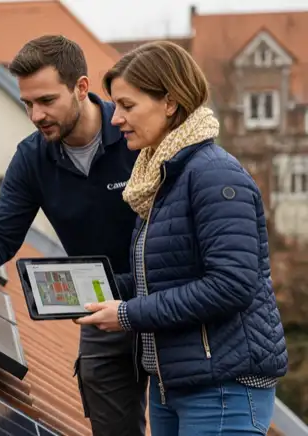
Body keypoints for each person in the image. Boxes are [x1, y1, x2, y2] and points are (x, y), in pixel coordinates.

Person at [0, 35, 147, 436]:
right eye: (28, 104)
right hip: (100, 313)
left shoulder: (134, 137)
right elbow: (1, 234)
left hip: (162, 298)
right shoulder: (33, 157)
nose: (36, 115)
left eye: (47, 101)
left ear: (81, 87)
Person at [76, 40, 288, 434]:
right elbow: (163, 276)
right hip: (173, 383)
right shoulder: (160, 178)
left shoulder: (214, 176)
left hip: (222, 386)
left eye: (128, 105)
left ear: (170, 103)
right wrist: (94, 286)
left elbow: (231, 285)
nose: (116, 118)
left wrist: (127, 314)